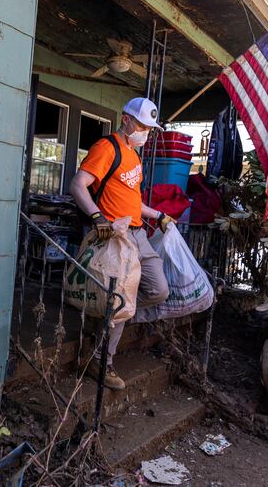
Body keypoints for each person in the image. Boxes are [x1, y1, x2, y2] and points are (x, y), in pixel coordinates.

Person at [69, 97, 173, 390]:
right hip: (113, 237)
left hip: (137, 234)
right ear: (126, 119)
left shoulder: (134, 156)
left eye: (149, 128)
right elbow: (78, 185)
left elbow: (133, 201)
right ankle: (102, 361)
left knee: (158, 290)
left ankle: (104, 318)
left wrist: (160, 215)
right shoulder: (107, 148)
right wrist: (97, 216)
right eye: (141, 125)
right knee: (120, 300)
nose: (145, 132)